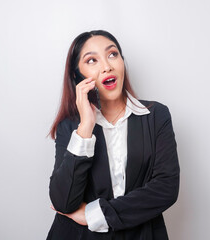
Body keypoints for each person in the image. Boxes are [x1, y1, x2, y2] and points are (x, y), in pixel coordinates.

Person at [46, 30, 180, 240]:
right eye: (92, 60)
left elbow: (166, 188)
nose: (106, 66)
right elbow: (63, 202)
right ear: (77, 75)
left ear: (122, 62)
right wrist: (85, 128)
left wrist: (93, 215)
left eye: (112, 54)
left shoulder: (156, 115)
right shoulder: (70, 126)